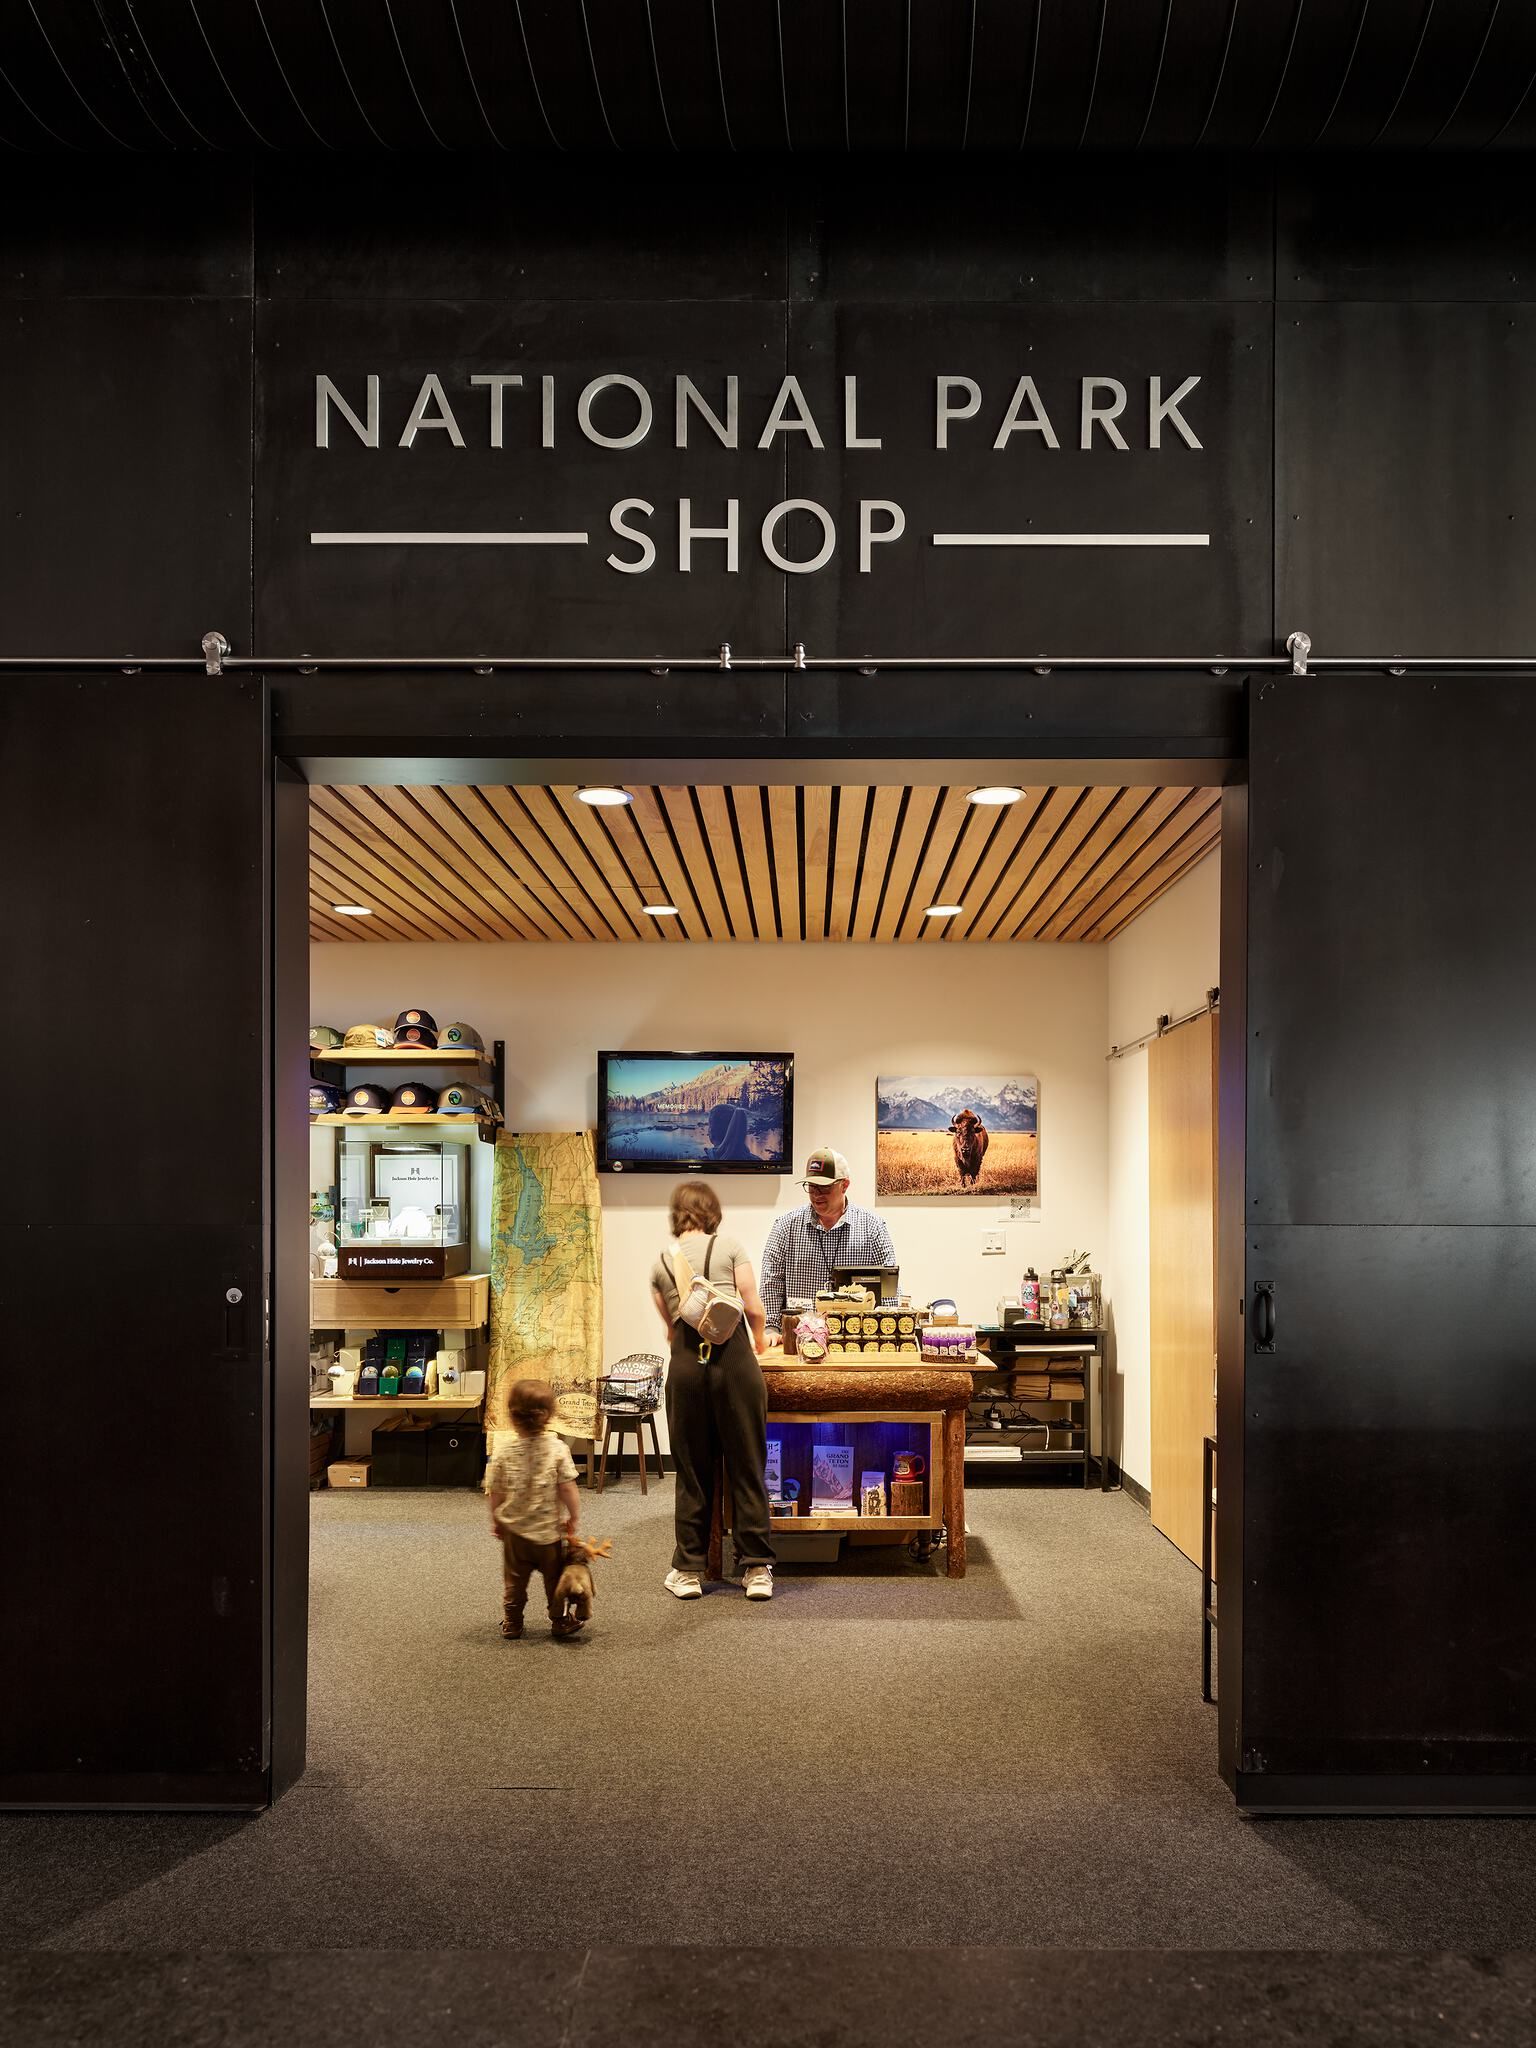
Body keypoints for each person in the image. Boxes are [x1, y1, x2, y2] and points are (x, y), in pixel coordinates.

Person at [650, 1180, 775, 1602]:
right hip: (735, 1369)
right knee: (747, 1466)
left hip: (688, 1371)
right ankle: (756, 1569)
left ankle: (688, 1571)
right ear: (712, 1212)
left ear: (677, 1215)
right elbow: (753, 1308)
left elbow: (671, 1332)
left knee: (692, 1474)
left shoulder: (661, 1265)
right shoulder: (731, 1247)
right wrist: (758, 1341)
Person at [759, 1146, 896, 1338]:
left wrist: (889, 1331)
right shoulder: (785, 1226)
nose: (816, 1194)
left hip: (855, 1339)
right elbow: (771, 1282)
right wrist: (771, 1327)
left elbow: (889, 1290)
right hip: (798, 1338)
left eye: (824, 1187)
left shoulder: (873, 1227)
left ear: (844, 1185)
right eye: (811, 1186)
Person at [486, 1376, 584, 1640]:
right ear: (549, 1415)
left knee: (514, 1581)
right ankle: (560, 1620)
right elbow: (567, 1488)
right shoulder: (558, 1449)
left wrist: (496, 1520)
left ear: (513, 1416)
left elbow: (495, 1491)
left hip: (515, 1534)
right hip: (548, 1534)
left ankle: (512, 1622)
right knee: (554, 1580)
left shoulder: (503, 1452)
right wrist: (573, 1516)